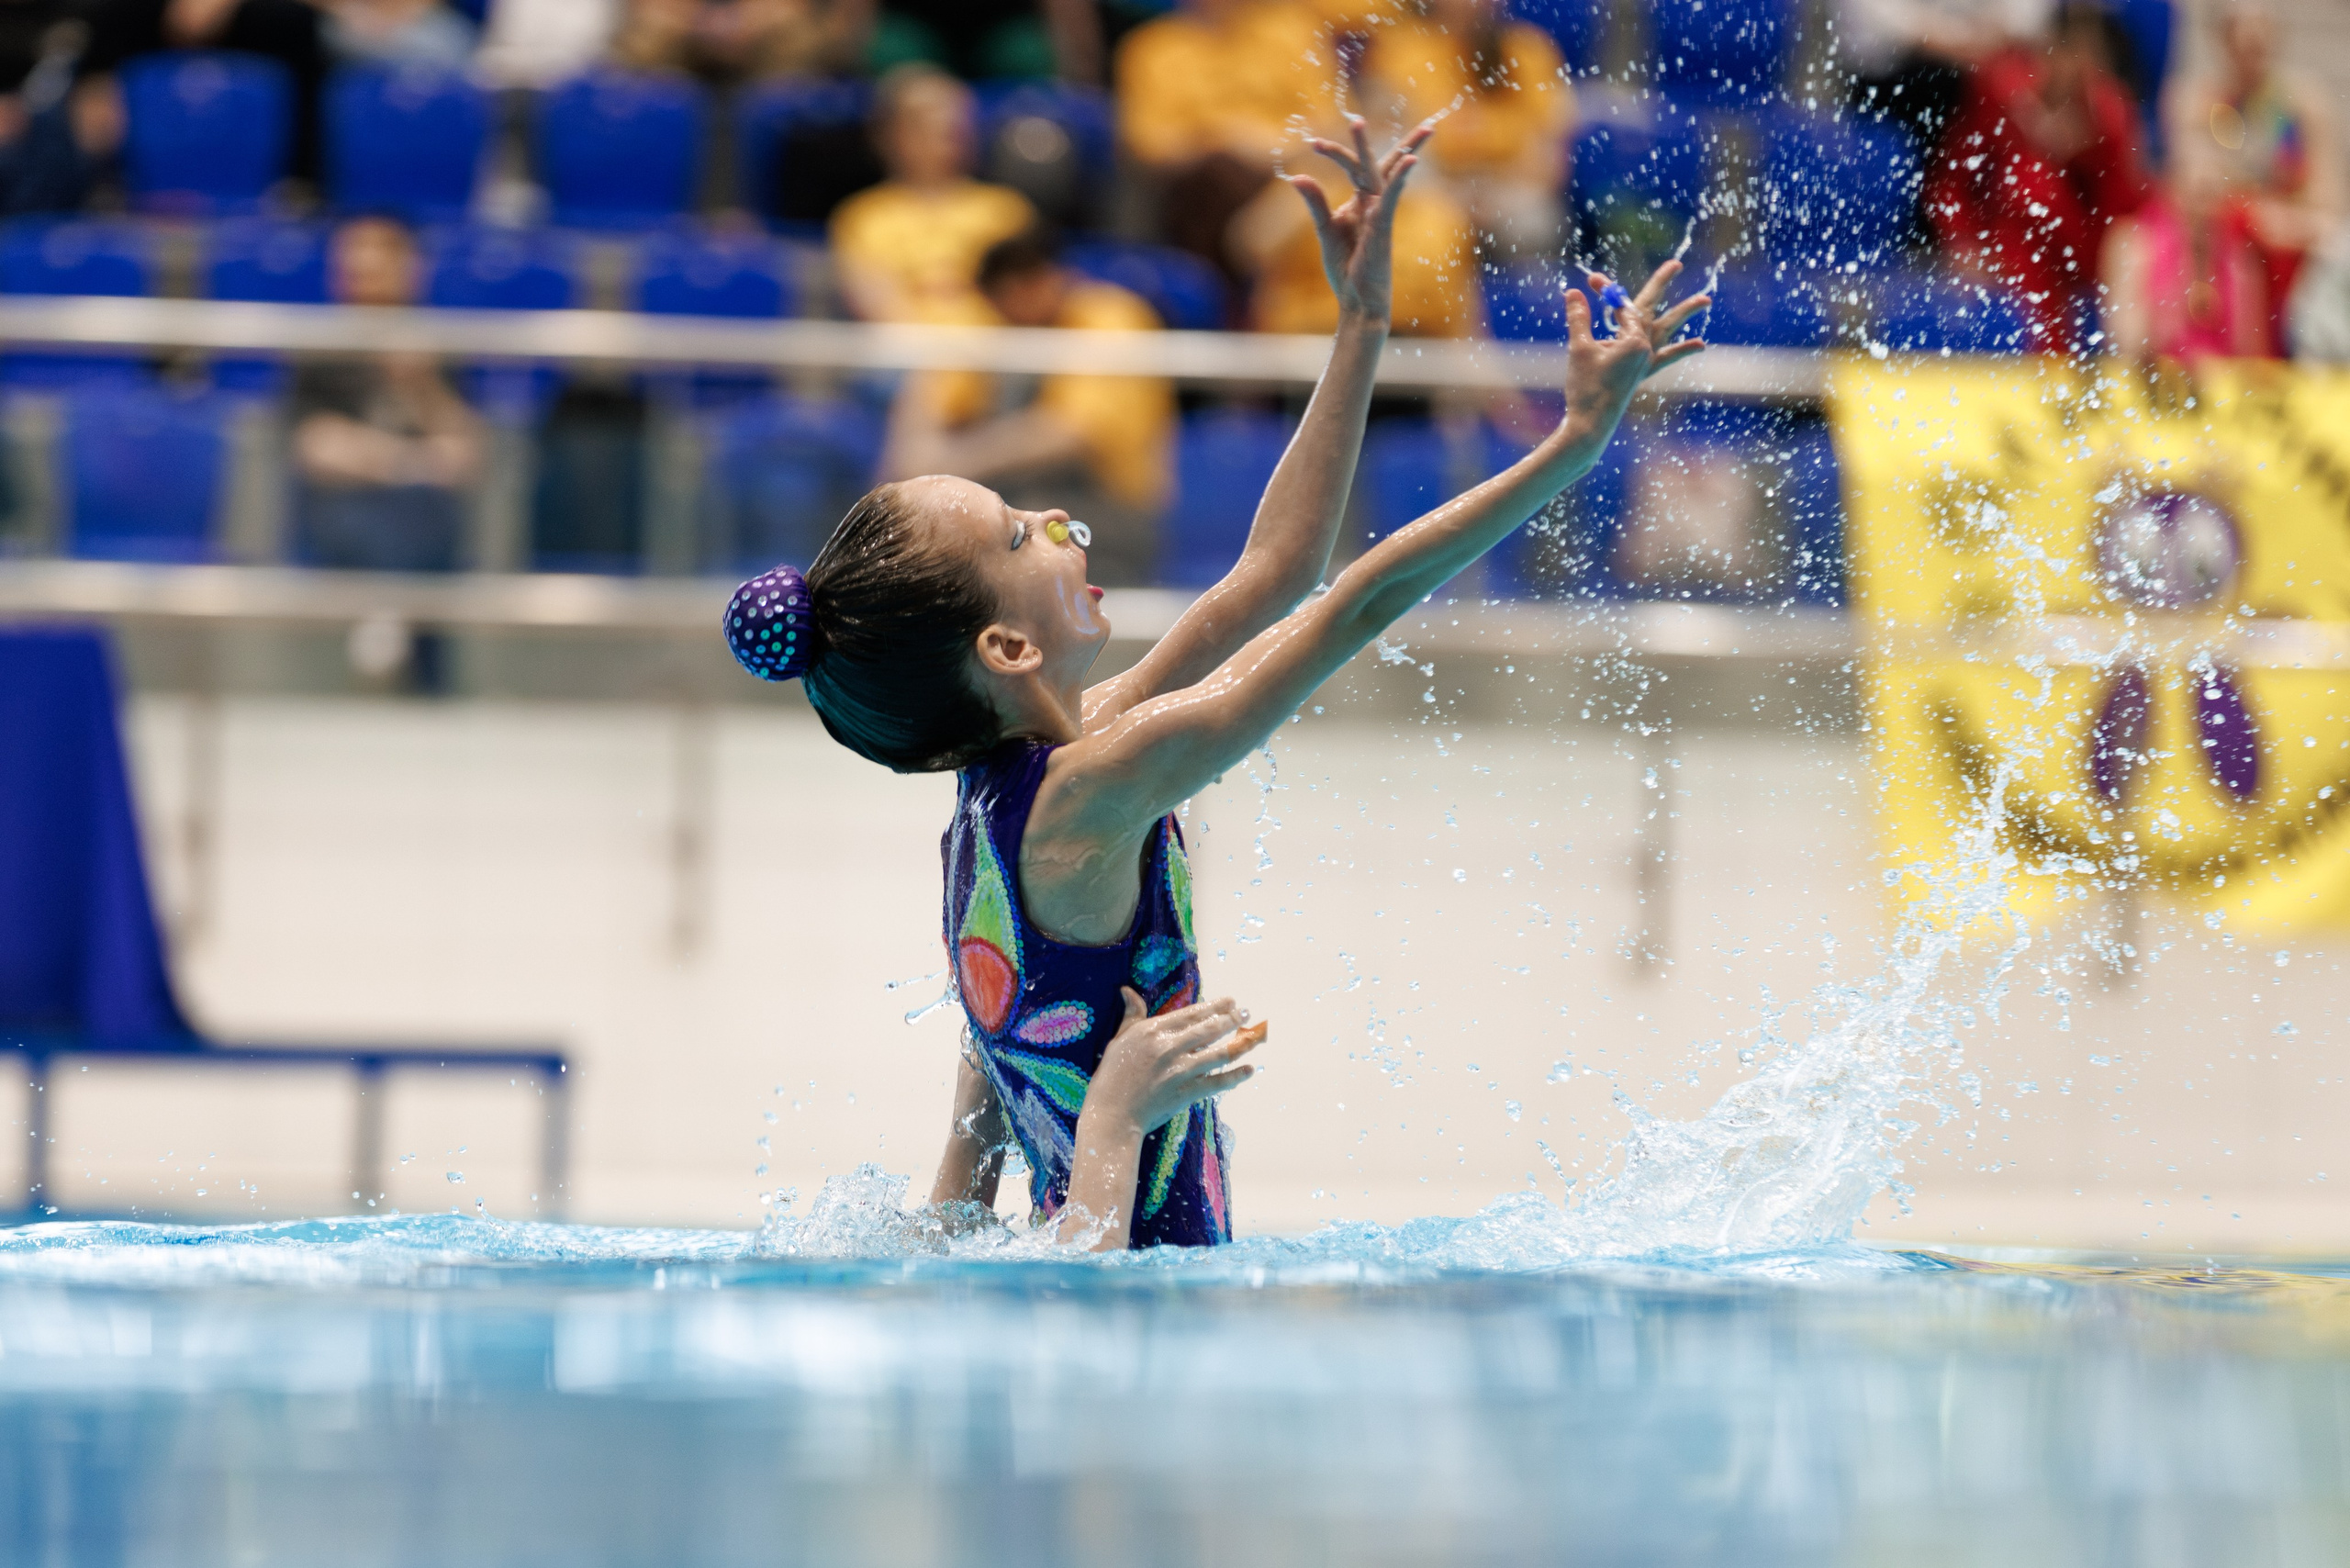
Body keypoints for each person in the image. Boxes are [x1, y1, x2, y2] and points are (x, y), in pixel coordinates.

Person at [721, 120, 1708, 1249]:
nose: (1051, 518)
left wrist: (1362, 319)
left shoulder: (998, 822)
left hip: (1103, 1338)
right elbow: (1354, 603)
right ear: (1004, 650)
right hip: (1130, 1332)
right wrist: (1571, 446)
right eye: (1015, 532)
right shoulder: (1085, 799)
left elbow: (1273, 571)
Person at [881, 228, 1174, 588]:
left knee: (1001, 524)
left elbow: (1071, 434)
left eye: (1024, 289)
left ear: (1050, 278)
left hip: (1109, 516)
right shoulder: (995, 320)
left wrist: (945, 464)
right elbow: (932, 395)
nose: (1012, 308)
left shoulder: (1112, 316)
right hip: (1021, 505)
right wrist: (913, 465)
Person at [1922, 2, 2151, 354]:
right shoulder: (2003, 93)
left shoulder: (2111, 114)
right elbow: (1951, 179)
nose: (2078, 67)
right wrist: (1963, 241)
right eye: (2068, 51)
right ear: (2046, 49)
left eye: (2089, 56)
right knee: (2030, 185)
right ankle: (2048, 370)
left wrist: (2087, 149)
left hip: (2086, 251)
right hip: (2012, 246)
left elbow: (2122, 212)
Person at [1113, 0, 1341, 308]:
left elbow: (1330, 128)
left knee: (1320, 187)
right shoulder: (1151, 47)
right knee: (1219, 180)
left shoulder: (1293, 34)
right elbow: (1148, 147)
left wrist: (1261, 144)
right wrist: (1221, 139)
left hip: (1282, 173)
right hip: (1196, 189)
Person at [290, 216, 486, 572]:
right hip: (346, 511)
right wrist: (412, 464)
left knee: (423, 519)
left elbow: (464, 456)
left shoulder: (442, 349)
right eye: (356, 255)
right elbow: (320, 450)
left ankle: (393, 621)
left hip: (425, 516)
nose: (366, 263)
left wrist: (423, 387)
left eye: (383, 252)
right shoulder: (319, 350)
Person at [2160, 2, 2344, 358]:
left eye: (2260, 28)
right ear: (2221, 39)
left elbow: (2329, 213)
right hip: (2224, 252)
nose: (2252, 38)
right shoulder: (2197, 103)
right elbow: (2190, 195)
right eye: (2241, 29)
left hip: (2289, 255)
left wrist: (2270, 218)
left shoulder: (2306, 107)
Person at [1358, 0, 1575, 258]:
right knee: (1416, 212)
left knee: (1534, 225)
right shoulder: (1400, 49)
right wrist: (1453, 198)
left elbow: (1550, 160)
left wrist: (1488, 197)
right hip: (1434, 193)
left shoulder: (1527, 49)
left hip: (1506, 193)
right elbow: (1384, 145)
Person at [828, 63, 1035, 324]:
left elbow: (1026, 302)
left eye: (958, 122)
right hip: (905, 357)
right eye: (928, 122)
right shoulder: (863, 217)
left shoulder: (1007, 210)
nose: (947, 131)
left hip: (995, 355)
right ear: (891, 134)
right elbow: (879, 307)